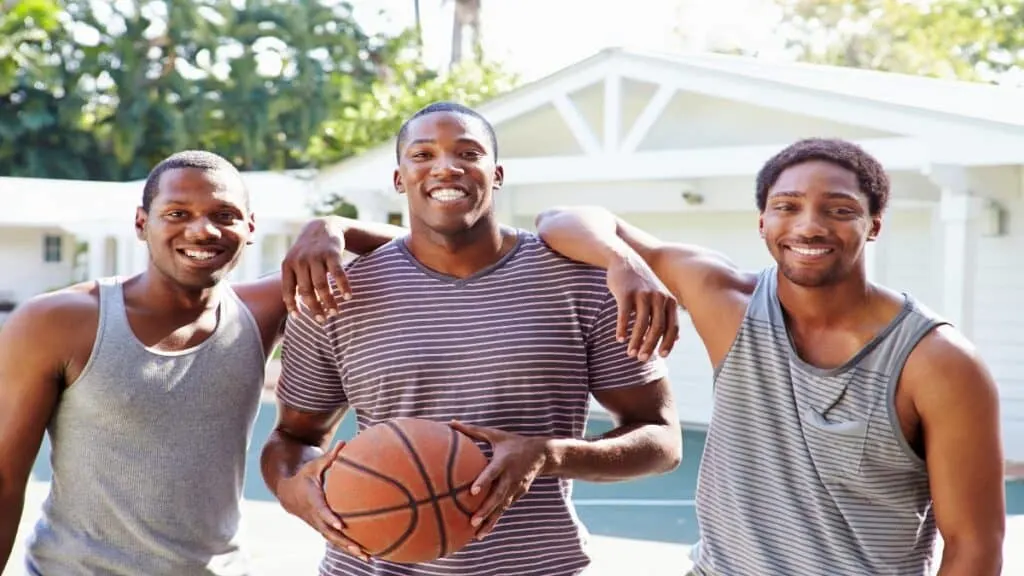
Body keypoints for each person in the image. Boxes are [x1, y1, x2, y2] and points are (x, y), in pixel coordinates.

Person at [534, 138, 1007, 575]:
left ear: (874, 225)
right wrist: (625, 264)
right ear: (763, 221)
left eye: (839, 210)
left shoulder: (938, 362)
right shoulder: (728, 301)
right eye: (787, 206)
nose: (810, 225)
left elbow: (974, 546)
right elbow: (560, 219)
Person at [259, 101, 684, 576]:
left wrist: (551, 454)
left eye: (468, 152)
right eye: (422, 155)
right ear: (399, 179)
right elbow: (293, 438)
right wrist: (291, 487)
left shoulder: (580, 284)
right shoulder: (338, 295)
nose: (446, 167)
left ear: (496, 173)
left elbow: (662, 440)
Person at [0, 150, 405, 575]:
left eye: (224, 215)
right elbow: (5, 482)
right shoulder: (59, 320)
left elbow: (420, 250)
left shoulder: (263, 310)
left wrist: (331, 228)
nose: (202, 230)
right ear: (142, 224)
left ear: (250, 228)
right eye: (177, 213)